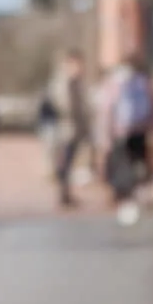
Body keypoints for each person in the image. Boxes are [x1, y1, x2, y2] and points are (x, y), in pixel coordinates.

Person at [98, 56, 153, 226]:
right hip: (139, 129)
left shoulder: (114, 83)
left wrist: (105, 135)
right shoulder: (144, 82)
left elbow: (106, 110)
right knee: (139, 161)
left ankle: (127, 197)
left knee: (124, 164)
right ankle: (139, 193)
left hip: (121, 131)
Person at [50, 50, 90, 209]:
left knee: (70, 162)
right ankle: (64, 194)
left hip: (77, 130)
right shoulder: (62, 83)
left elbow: (85, 107)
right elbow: (60, 105)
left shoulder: (80, 83)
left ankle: (67, 193)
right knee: (64, 162)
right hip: (65, 130)